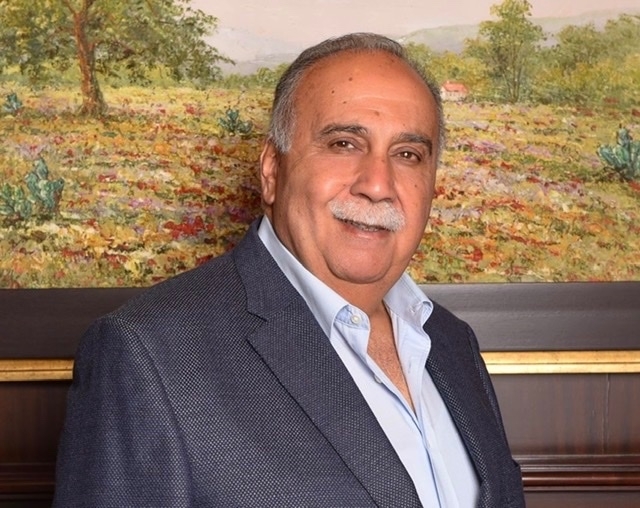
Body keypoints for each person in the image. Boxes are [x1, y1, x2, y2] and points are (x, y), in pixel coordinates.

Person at [53, 33, 525, 507]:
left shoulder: (449, 341)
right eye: (344, 143)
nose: (378, 185)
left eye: (407, 155)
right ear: (271, 171)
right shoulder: (149, 355)